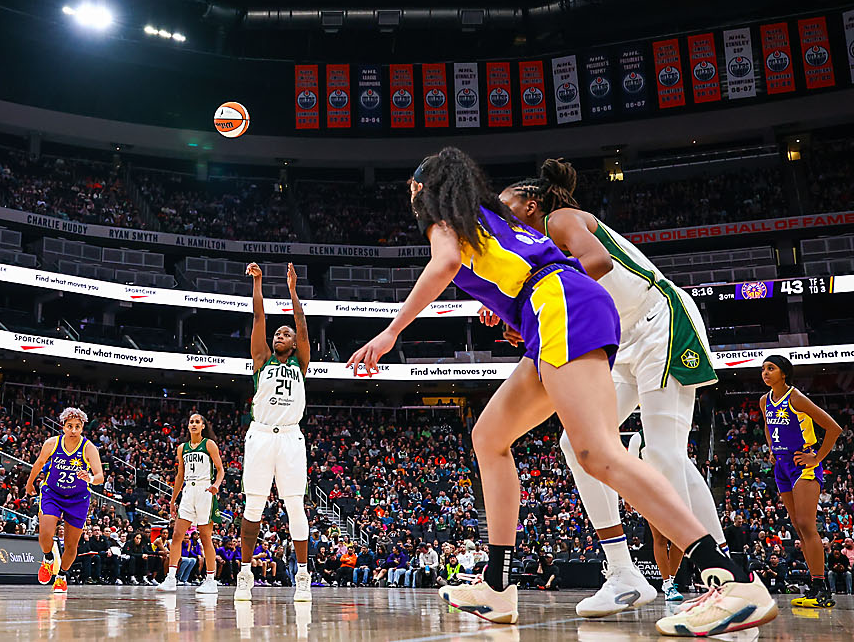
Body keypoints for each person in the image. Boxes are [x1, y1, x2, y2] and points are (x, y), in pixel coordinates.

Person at [347, 148, 775, 636]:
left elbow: (444, 262)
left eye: (413, 185)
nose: (410, 194)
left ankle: (731, 579)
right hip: (557, 308)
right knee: (490, 437)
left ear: (430, 187)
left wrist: (391, 331)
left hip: (562, 304)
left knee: (600, 453)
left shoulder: (446, 216)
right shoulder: (483, 219)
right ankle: (498, 585)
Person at [497, 159, 726, 617]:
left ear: (531, 204)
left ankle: (723, 577)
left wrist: (535, 297)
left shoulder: (560, 220)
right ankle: (623, 572)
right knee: (575, 441)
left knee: (663, 453)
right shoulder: (533, 251)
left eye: (505, 207)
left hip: (660, 321)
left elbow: (597, 262)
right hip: (621, 341)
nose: (500, 217)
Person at [234, 262, 312, 603]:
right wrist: (260, 283)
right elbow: (258, 320)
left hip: (291, 437)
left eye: (286, 334)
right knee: (253, 505)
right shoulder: (262, 359)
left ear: (294, 344)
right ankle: (245, 572)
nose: (281, 335)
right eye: (278, 333)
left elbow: (303, 325)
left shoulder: (301, 362)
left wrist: (293, 292)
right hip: (262, 434)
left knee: (295, 505)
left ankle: (304, 575)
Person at [761, 354, 842, 608]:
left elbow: (834, 428)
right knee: (798, 526)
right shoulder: (765, 400)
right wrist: (772, 447)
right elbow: (767, 425)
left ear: (784, 373)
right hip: (782, 466)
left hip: (802, 465)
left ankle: (823, 590)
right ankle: (814, 586)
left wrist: (816, 456)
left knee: (807, 525)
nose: (765, 373)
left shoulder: (795, 397)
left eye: (771, 368)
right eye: (763, 369)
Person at [26, 406, 105, 594]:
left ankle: (61, 576)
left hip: (78, 498)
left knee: (71, 545)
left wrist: (91, 479)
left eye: (78, 426)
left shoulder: (89, 448)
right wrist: (29, 484)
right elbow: (38, 464)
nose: (74, 430)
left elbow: (100, 475)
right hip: (52, 493)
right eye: (70, 426)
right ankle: (48, 559)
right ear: (63, 426)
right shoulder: (52, 443)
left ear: (82, 427)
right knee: (45, 533)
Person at [156, 412, 226, 595]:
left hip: (205, 490)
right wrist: (173, 500)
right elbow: (179, 476)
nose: (194, 424)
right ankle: (171, 578)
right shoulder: (182, 448)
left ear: (203, 426)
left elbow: (220, 470)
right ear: (188, 426)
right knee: (177, 534)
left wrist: (216, 485)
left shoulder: (209, 444)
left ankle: (210, 580)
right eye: (191, 422)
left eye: (197, 422)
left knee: (205, 537)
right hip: (188, 491)